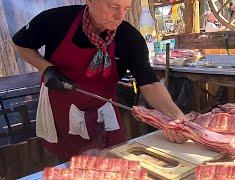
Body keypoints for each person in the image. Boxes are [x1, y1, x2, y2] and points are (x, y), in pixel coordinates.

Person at [12, 0, 187, 159]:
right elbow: (20, 44)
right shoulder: (57, 20)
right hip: (62, 108)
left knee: (111, 161)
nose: (119, 16)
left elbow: (149, 83)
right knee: (70, 164)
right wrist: (47, 69)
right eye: (113, 7)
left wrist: (176, 116)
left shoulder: (129, 38)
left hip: (103, 110)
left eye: (126, 9)